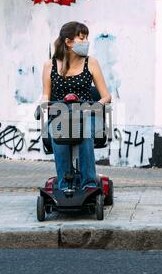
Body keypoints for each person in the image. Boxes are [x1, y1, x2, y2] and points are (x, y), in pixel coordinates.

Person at [39, 21, 111, 190]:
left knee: (83, 129)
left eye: (86, 37)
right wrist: (43, 106)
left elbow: (106, 96)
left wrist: (94, 107)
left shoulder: (91, 63)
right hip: (60, 114)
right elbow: (45, 95)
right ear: (68, 41)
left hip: (87, 114)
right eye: (82, 38)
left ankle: (89, 184)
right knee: (60, 128)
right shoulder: (49, 65)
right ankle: (64, 186)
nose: (86, 42)